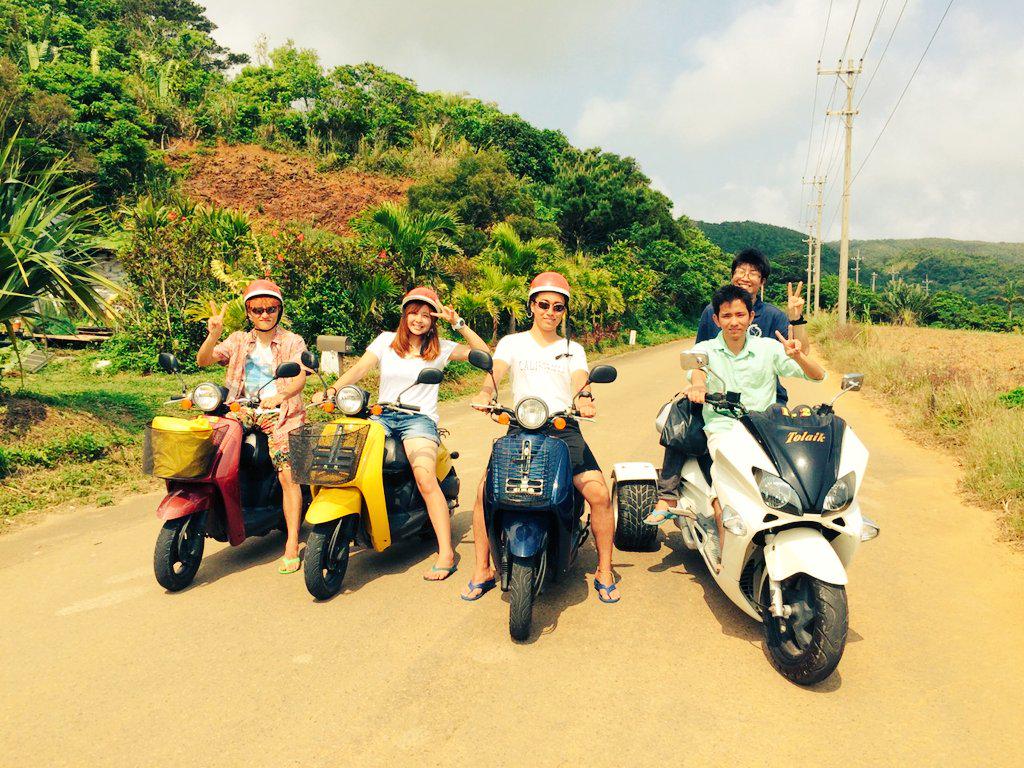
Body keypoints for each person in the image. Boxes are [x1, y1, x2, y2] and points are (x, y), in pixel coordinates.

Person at [460, 272, 621, 604]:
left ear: (564, 311)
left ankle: (605, 569)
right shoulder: (512, 343)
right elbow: (495, 374)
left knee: (599, 493)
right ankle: (482, 569)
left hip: (563, 427)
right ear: (532, 306)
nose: (550, 312)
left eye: (558, 307)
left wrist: (585, 398)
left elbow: (581, 381)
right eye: (544, 304)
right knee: (483, 493)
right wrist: (486, 392)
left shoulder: (572, 348)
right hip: (520, 426)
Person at [314, 287, 489, 581]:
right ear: (405, 315)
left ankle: (446, 552)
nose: (419, 319)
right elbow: (359, 369)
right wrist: (332, 389)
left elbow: (484, 355)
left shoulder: (442, 348)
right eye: (414, 313)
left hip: (418, 420)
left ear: (433, 321)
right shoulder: (386, 340)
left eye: (426, 315)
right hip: (381, 415)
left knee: (424, 477)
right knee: (346, 458)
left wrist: (458, 323)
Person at [648, 284, 826, 571]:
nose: (734, 321)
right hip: (724, 431)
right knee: (727, 489)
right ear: (716, 319)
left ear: (751, 317)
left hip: (767, 431)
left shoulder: (768, 348)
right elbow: (697, 370)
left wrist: (798, 356)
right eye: (727, 315)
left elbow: (817, 376)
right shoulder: (706, 349)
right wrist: (698, 386)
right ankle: (726, 557)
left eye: (740, 314)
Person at [197, 279, 308, 574]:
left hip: (280, 412)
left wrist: (281, 396)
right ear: (248, 312)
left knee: (287, 473)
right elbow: (203, 360)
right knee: (209, 445)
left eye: (271, 308)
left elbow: (299, 376)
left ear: (279, 310)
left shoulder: (292, 341)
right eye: (257, 309)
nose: (264, 314)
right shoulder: (237, 340)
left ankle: (292, 542)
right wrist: (213, 335)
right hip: (241, 408)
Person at [695, 248, 808, 405]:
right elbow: (699, 360)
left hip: (766, 401)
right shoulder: (712, 311)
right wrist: (698, 385)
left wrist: (796, 319)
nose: (745, 278)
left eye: (753, 273)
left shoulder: (773, 315)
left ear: (762, 282)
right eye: (741, 271)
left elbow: (802, 354)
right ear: (732, 276)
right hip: (720, 401)